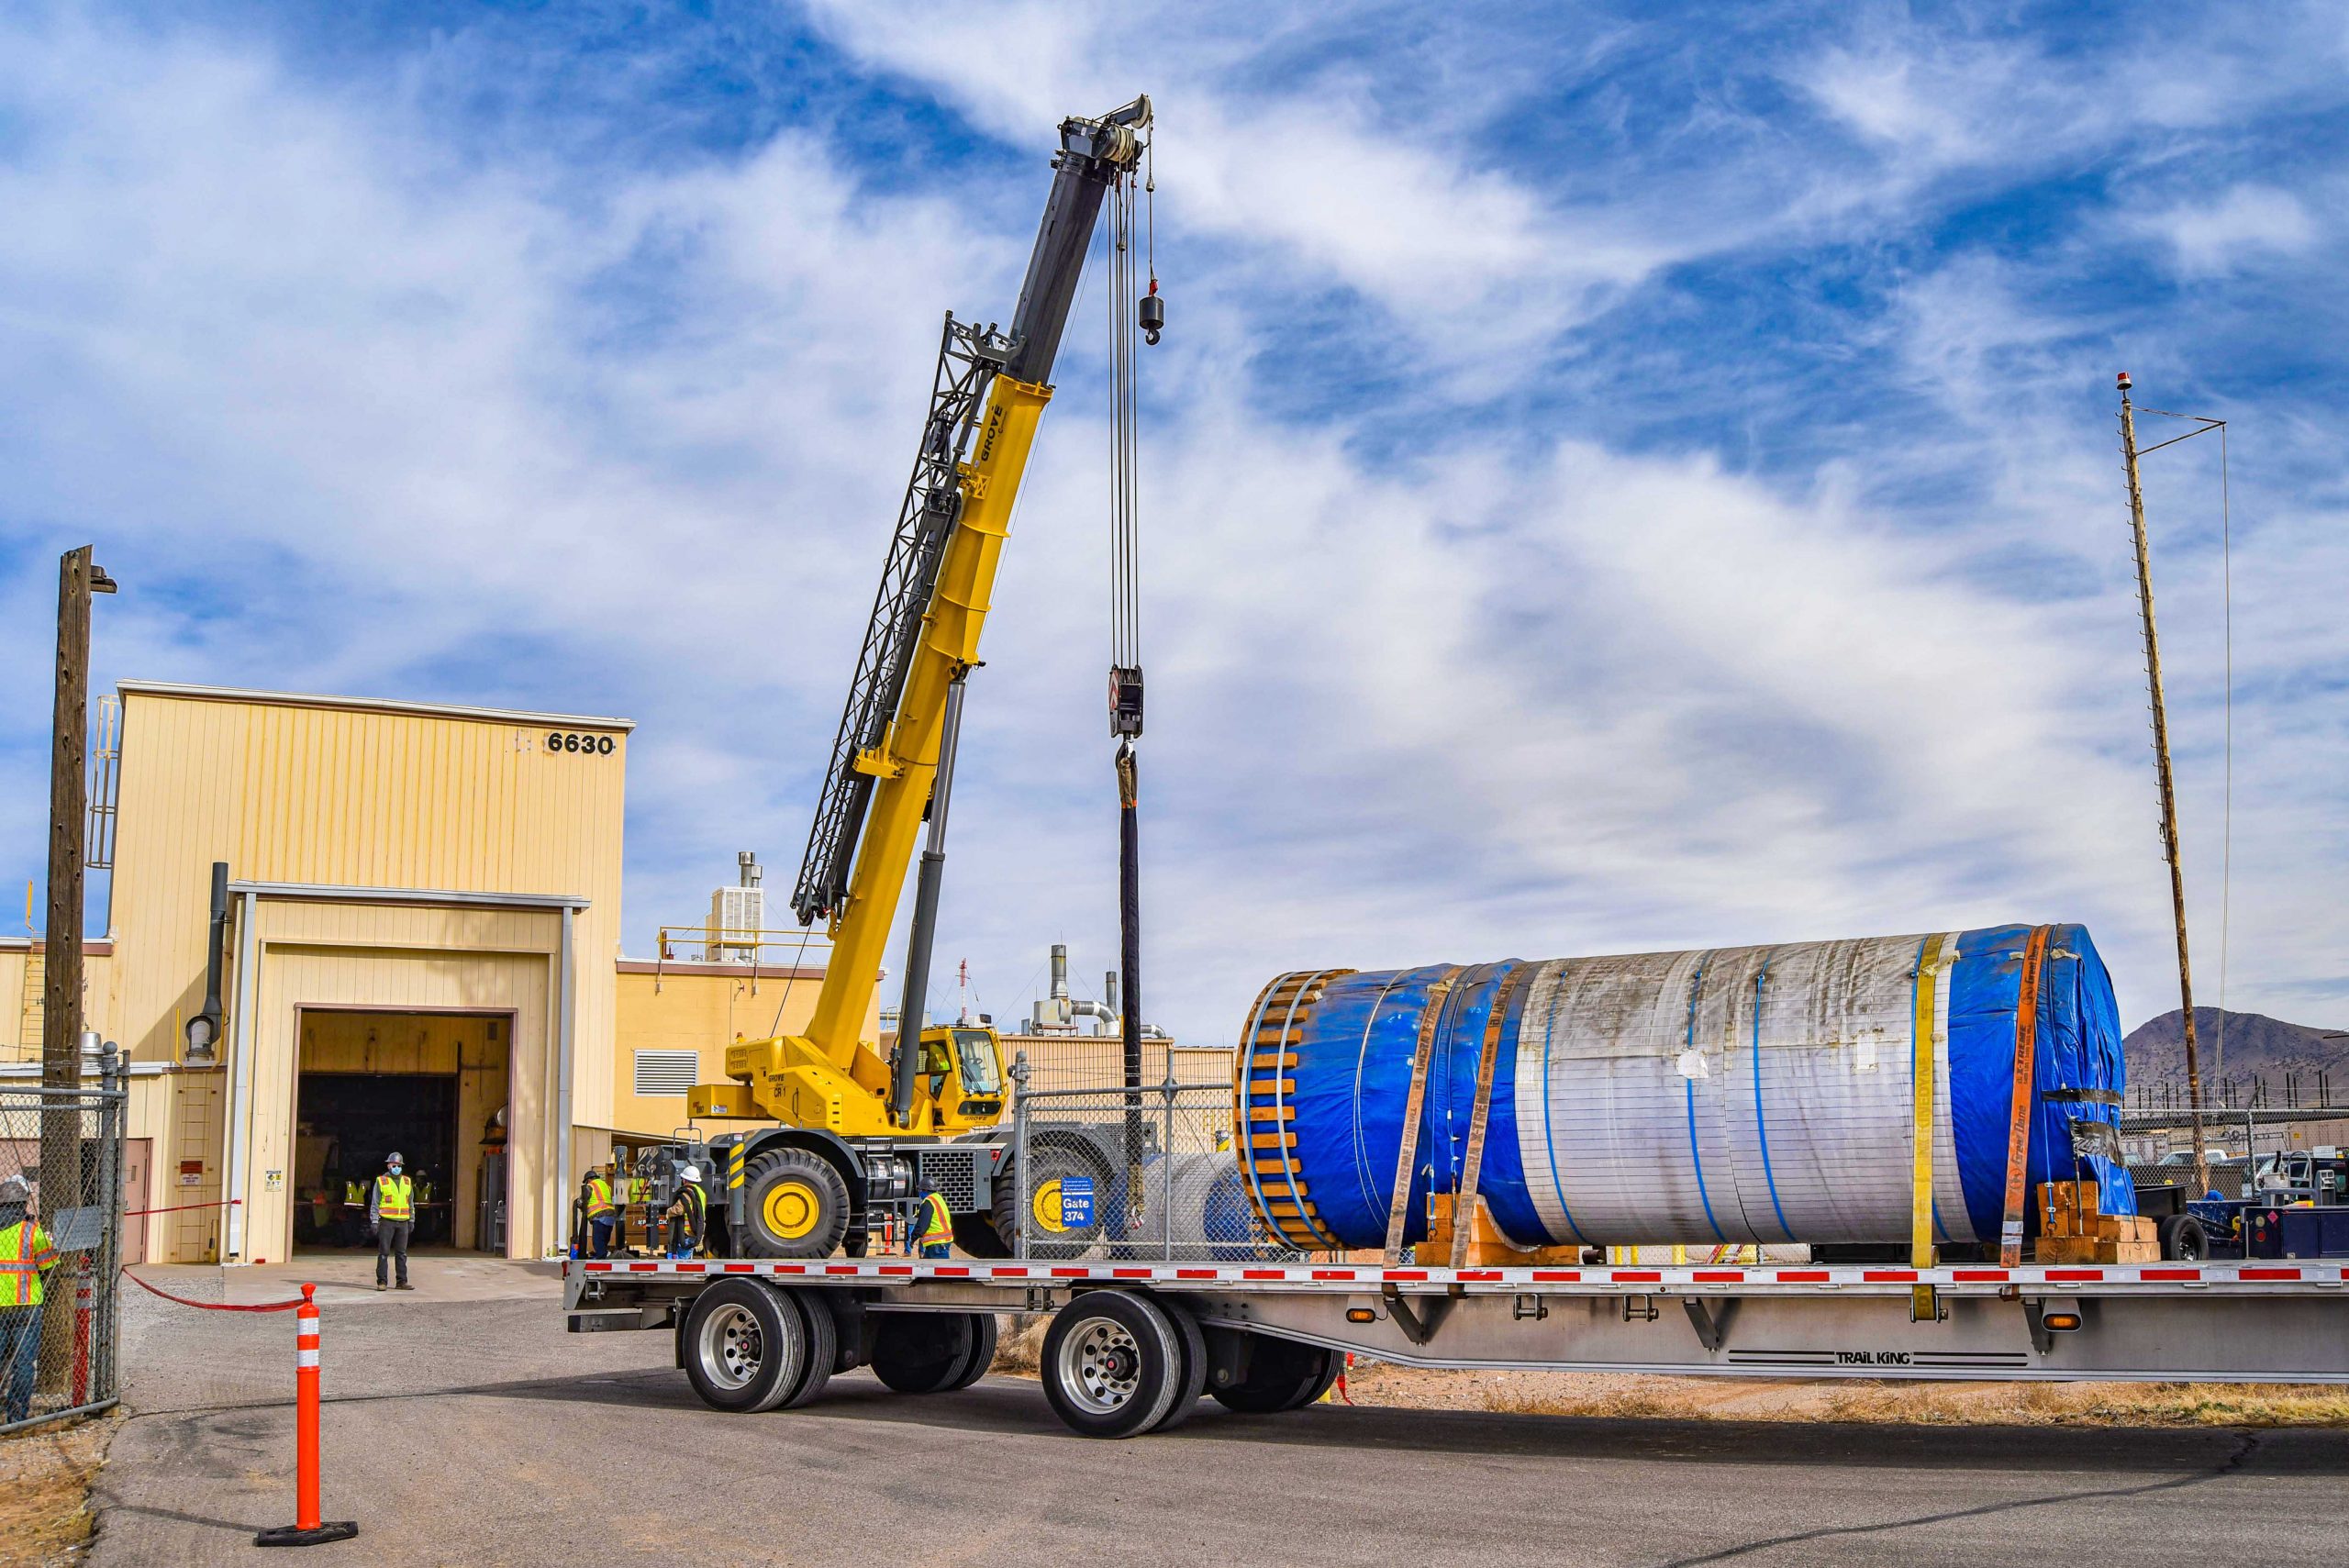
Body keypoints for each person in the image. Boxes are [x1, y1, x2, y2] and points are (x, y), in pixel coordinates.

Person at [0, 1175, 59, 1425]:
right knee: (24, 1364)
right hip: (27, 1304)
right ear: (23, 1203)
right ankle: (17, 1416)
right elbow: (49, 1263)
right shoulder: (30, 1231)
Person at [370, 1151, 415, 1292]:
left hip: (403, 1223)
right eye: (394, 1165)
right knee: (384, 1253)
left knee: (402, 1253)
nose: (397, 1167)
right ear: (389, 1165)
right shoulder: (381, 1181)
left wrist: (412, 1219)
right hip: (387, 1222)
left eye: (399, 1165)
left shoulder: (407, 1182)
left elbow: (411, 1203)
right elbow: (375, 1203)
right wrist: (374, 1221)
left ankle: (402, 1281)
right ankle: (382, 1281)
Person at [663, 1166, 707, 1259]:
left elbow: (679, 1209)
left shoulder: (687, 1193)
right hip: (695, 1232)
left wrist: (668, 1212)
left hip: (686, 1233)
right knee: (686, 1259)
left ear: (685, 1180)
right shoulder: (701, 1193)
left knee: (681, 1263)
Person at [584, 1163, 619, 1260]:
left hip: (599, 1215)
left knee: (598, 1239)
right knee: (604, 1239)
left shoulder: (590, 1186)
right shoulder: (605, 1185)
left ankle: (600, 1258)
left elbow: (582, 1200)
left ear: (589, 1180)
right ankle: (602, 1256)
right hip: (610, 1216)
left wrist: (579, 1203)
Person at [912, 1184, 952, 1261]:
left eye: (921, 1190)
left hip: (937, 1244)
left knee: (942, 1271)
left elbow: (922, 1226)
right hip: (940, 1243)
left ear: (926, 1190)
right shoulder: (938, 1198)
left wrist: (913, 1238)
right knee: (926, 1269)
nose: (920, 1193)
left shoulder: (928, 1202)